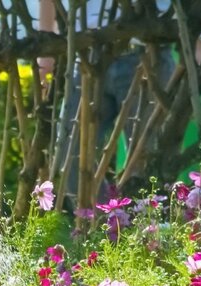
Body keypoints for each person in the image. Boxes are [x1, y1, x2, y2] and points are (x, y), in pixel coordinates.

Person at [40, 0, 174, 207]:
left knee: (146, 161)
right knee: (69, 153)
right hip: (89, 52)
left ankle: (142, 232)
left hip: (147, 50)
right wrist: (45, 53)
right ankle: (107, 226)